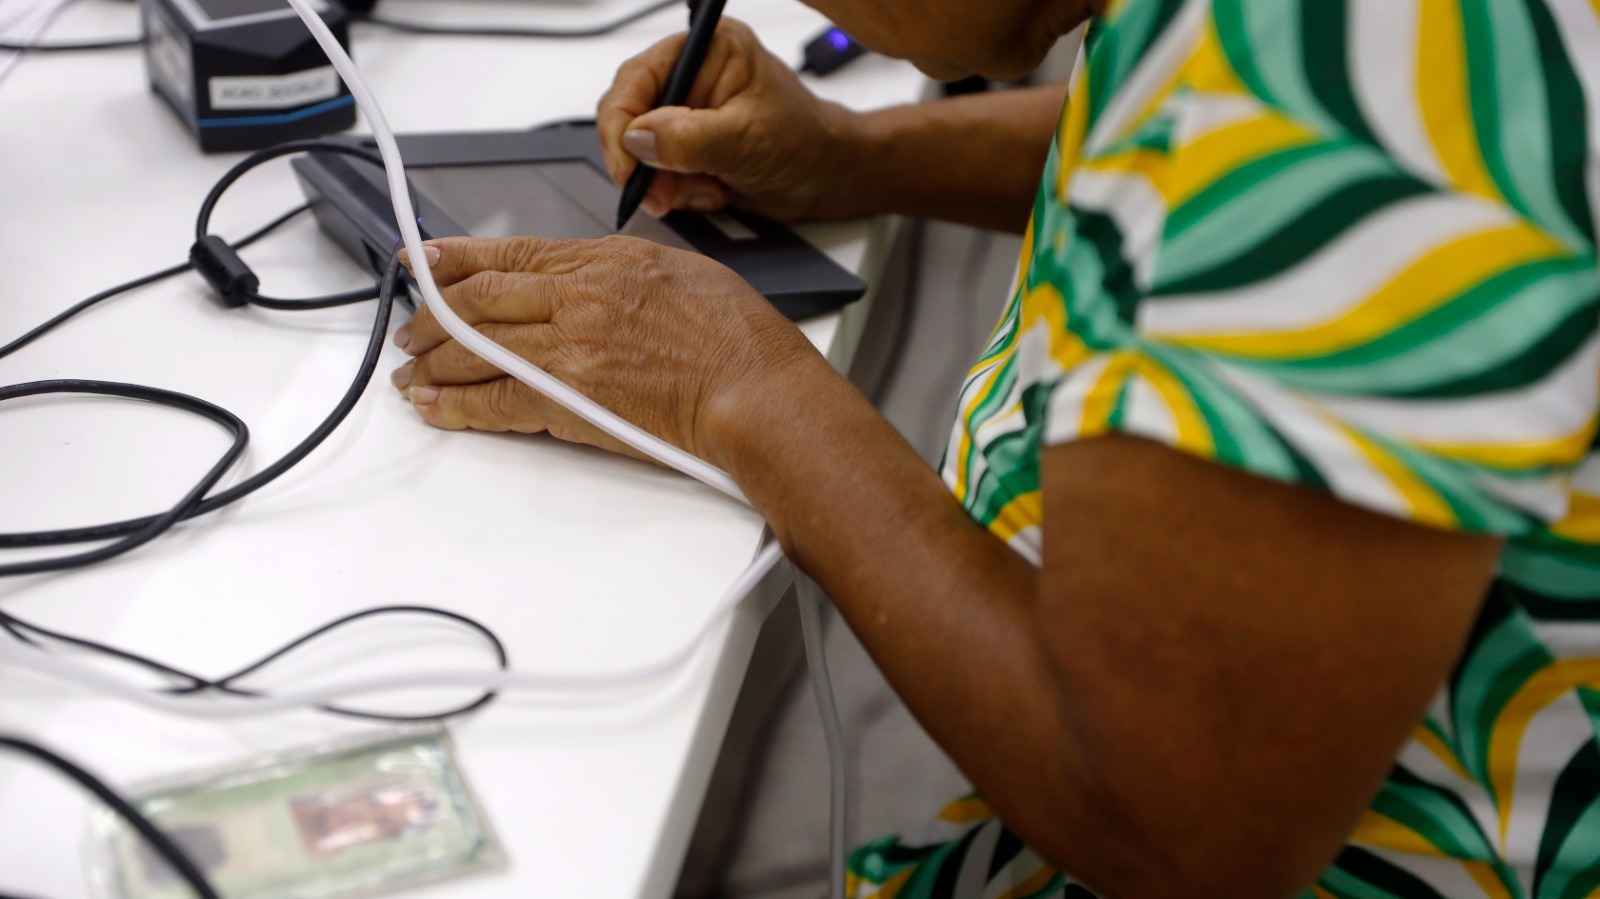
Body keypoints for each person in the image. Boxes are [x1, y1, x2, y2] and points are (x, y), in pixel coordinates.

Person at [386, 0, 1600, 894]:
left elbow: (1176, 830)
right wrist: (856, 155)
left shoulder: (1376, 57)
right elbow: (1191, 154)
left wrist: (743, 391)